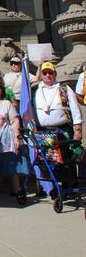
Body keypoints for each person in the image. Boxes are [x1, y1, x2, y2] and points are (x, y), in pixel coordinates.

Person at [33, 62, 83, 192]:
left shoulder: (64, 88)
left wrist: (78, 129)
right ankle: (53, 188)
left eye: (50, 73)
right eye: (45, 73)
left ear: (55, 74)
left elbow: (75, 109)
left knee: (66, 160)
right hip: (44, 132)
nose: (48, 75)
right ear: (42, 75)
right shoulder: (35, 90)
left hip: (63, 130)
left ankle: (70, 187)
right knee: (49, 160)